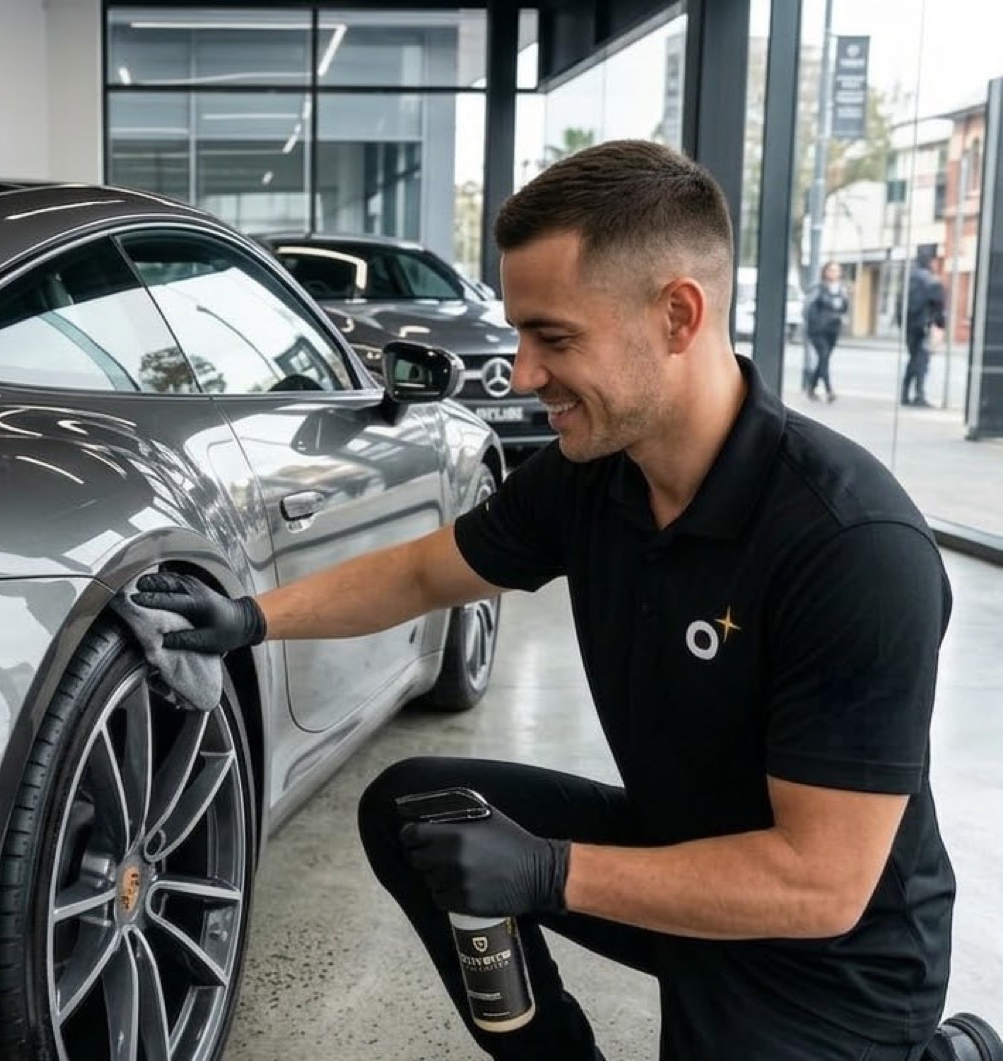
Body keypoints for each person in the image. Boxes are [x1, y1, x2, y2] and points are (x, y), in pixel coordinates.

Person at [131, 140, 995, 1060]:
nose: (521, 374)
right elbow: (427, 572)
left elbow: (821, 883)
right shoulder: (596, 478)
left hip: (827, 961)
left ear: (677, 315)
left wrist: (554, 872)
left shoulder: (851, 544)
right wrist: (252, 621)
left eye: (554, 336)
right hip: (674, 849)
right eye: (519, 335)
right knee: (419, 811)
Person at [904, 250, 947, 407]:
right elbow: (939, 306)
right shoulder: (932, 281)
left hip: (910, 327)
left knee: (913, 358)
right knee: (922, 361)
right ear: (931, 262)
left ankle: (904, 393)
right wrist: (941, 325)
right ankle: (919, 395)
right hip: (925, 326)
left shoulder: (910, 279)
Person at [804, 261, 850, 402]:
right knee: (823, 357)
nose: (834, 273)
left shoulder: (842, 290)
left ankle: (811, 387)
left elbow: (844, 308)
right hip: (819, 331)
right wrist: (815, 323)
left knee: (824, 360)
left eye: (836, 270)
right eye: (831, 270)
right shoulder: (818, 289)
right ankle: (830, 390)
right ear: (825, 272)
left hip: (833, 330)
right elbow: (809, 309)